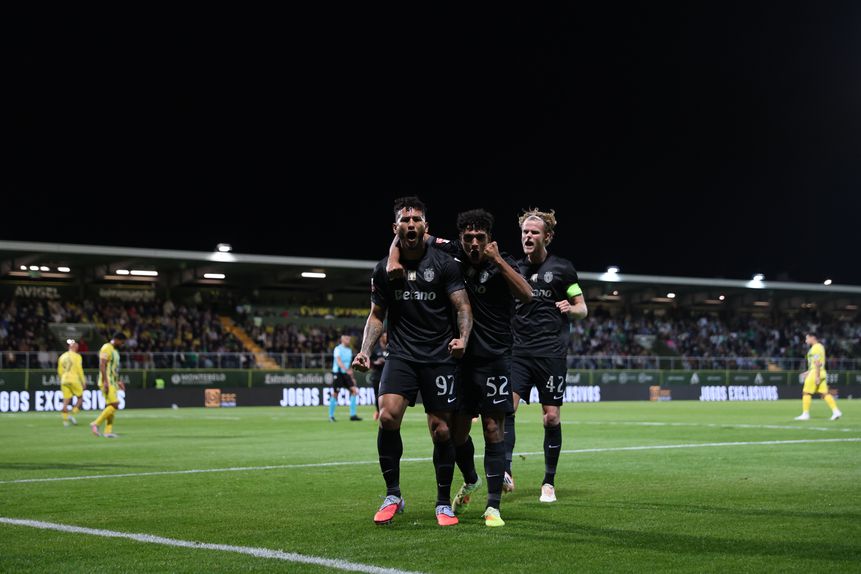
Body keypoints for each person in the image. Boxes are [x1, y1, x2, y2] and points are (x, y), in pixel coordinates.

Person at [403, 208, 532, 527]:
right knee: (454, 435)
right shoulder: (451, 254)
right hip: (457, 361)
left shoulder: (504, 263)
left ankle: (493, 507)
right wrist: (395, 255)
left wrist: (498, 260)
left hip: (495, 358)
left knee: (492, 428)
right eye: (468, 237)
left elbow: (527, 295)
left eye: (480, 238)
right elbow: (414, 234)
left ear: (489, 239)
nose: (474, 243)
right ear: (461, 238)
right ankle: (471, 478)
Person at [352, 196, 473, 527]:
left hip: (439, 357)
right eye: (405, 220)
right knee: (388, 416)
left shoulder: (445, 264)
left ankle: (443, 503)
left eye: (416, 219)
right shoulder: (384, 269)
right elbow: (377, 316)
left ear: (425, 227)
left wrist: (463, 338)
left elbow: (462, 306)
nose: (411, 224)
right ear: (396, 228)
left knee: (442, 431)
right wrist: (366, 350)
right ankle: (393, 493)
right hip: (402, 355)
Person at [505, 207, 587, 503]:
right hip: (518, 352)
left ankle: (548, 482)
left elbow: (582, 307)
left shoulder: (564, 269)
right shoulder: (513, 266)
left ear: (547, 237)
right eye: (525, 232)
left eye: (534, 232)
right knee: (506, 412)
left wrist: (570, 308)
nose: (528, 236)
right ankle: (506, 470)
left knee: (551, 418)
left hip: (551, 353)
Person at [795, 332, 842, 421]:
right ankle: (836, 411)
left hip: (816, 372)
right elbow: (818, 362)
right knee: (824, 394)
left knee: (806, 393)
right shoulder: (820, 347)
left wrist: (816, 376)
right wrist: (808, 372)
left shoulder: (815, 348)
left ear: (813, 338)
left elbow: (817, 362)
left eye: (807, 338)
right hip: (821, 371)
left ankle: (805, 414)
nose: (806, 341)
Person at [90, 332, 126, 438]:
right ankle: (96, 423)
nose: (122, 344)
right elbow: (102, 364)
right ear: (117, 340)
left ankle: (108, 432)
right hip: (107, 381)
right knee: (115, 404)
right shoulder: (106, 347)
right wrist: (105, 381)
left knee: (111, 407)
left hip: (113, 382)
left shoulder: (115, 351)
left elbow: (113, 369)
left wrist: (118, 381)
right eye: (122, 342)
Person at [330, 334, 361, 421]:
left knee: (354, 391)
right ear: (342, 339)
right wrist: (346, 370)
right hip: (338, 373)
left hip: (346, 374)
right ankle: (331, 416)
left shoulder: (349, 350)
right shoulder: (337, 349)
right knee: (336, 393)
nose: (348, 340)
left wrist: (352, 377)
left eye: (349, 338)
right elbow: (338, 361)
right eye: (347, 338)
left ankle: (353, 415)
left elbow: (350, 364)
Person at [58, 339, 87, 426]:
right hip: (73, 379)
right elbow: (79, 370)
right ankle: (72, 414)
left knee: (65, 401)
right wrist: (83, 381)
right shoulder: (77, 356)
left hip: (64, 380)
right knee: (80, 397)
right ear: (75, 347)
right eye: (77, 347)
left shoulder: (62, 356)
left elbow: (59, 370)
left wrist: (62, 379)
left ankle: (65, 421)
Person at [366, 332, 388, 421]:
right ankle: (378, 411)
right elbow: (369, 362)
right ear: (381, 338)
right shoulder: (375, 349)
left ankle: (386, 412)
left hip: (387, 375)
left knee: (387, 394)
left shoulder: (391, 348)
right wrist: (376, 362)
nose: (386, 338)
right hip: (377, 374)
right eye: (385, 336)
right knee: (377, 395)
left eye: (387, 336)